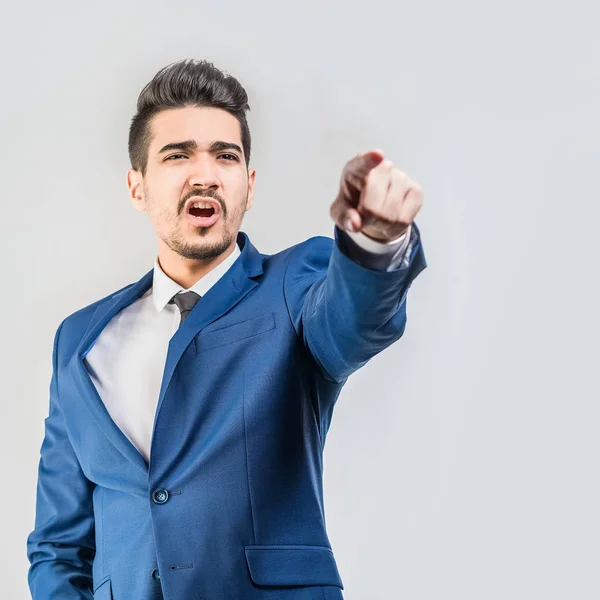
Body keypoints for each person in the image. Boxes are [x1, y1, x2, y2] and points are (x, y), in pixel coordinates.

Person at [26, 58, 427, 600]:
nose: (206, 174)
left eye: (225, 156)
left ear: (249, 184)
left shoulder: (294, 287)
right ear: (136, 185)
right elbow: (59, 545)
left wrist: (376, 244)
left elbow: (354, 320)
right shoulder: (80, 341)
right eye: (177, 155)